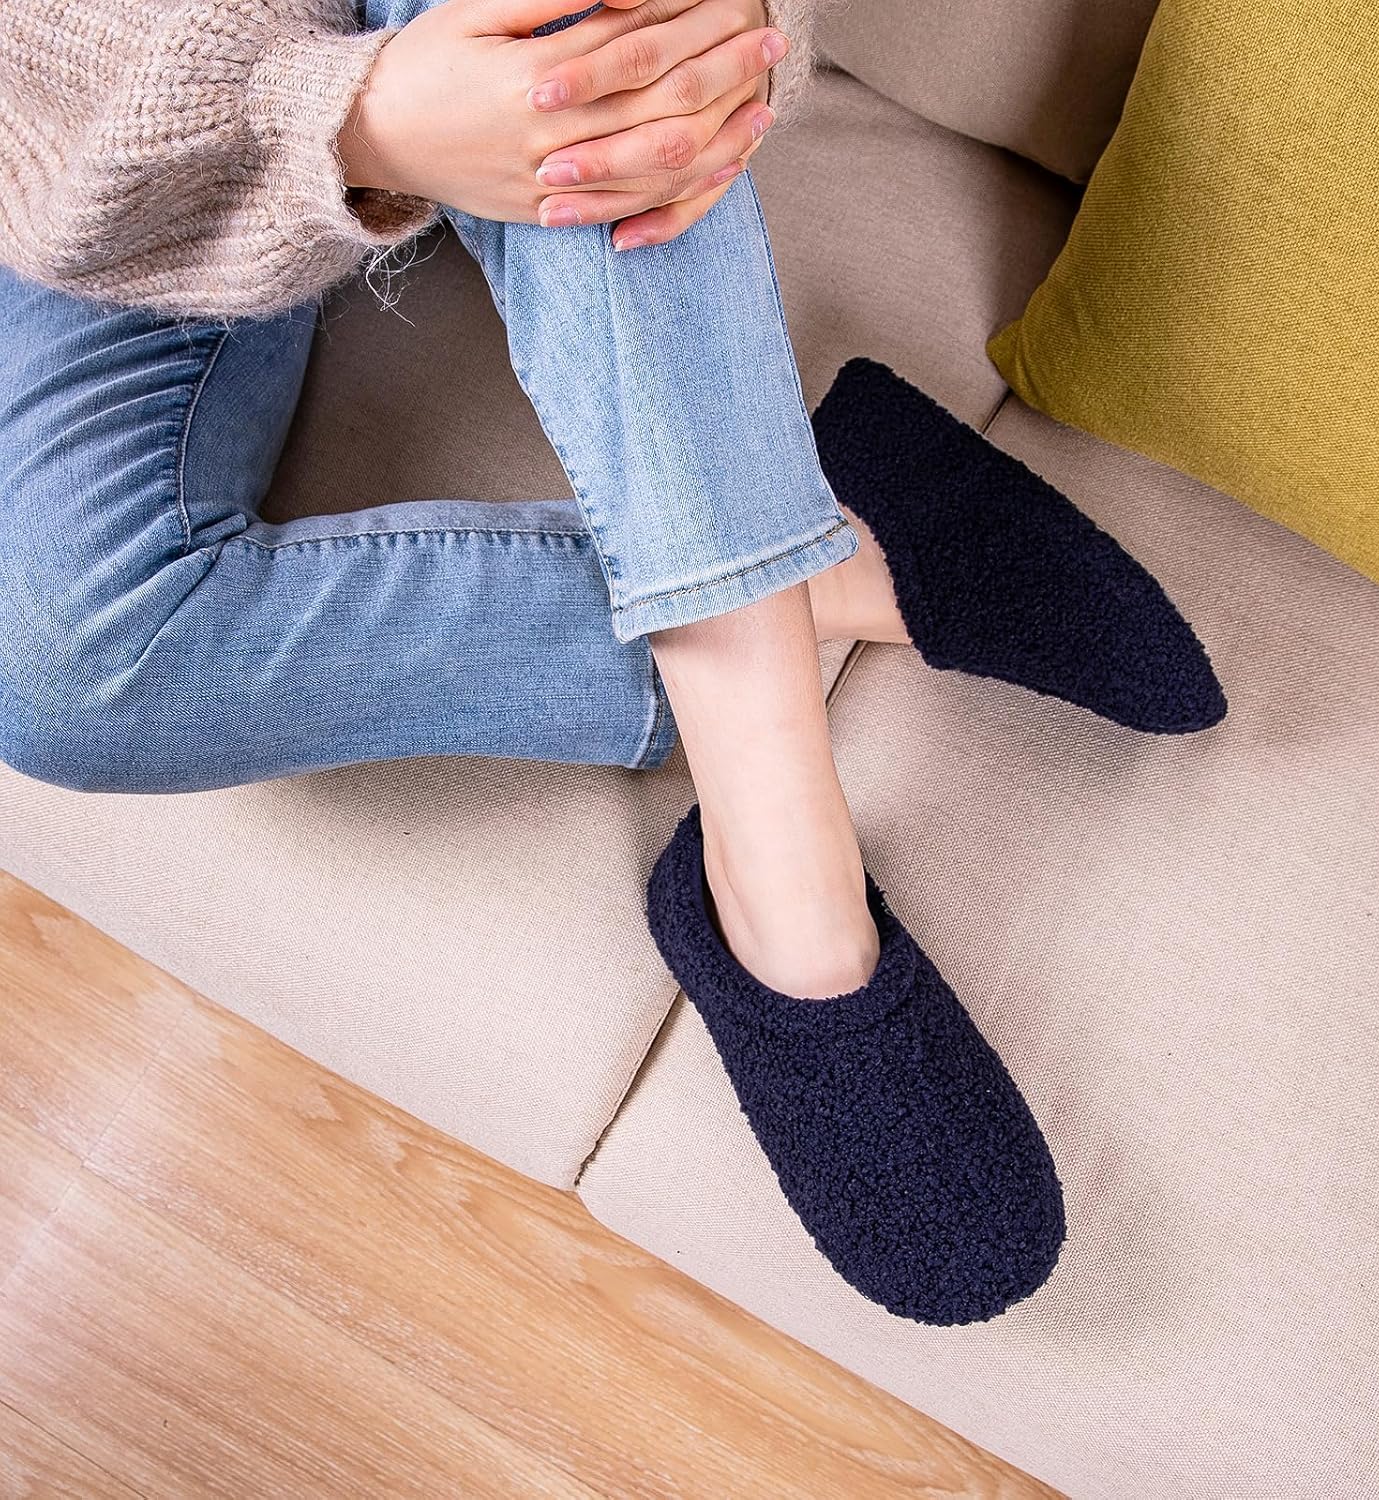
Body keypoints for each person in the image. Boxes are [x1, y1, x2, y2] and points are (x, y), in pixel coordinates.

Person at [0, 0, 1224, 1321]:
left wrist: (725, 49)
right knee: (68, 672)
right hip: (79, 130)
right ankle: (838, 558)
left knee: (602, 46)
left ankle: (782, 871)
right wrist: (340, 120)